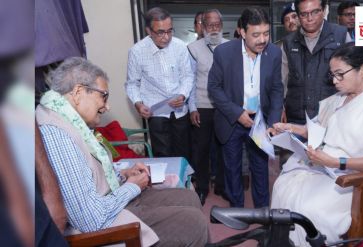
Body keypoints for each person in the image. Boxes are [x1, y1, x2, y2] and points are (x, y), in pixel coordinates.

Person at [37, 57, 208, 246]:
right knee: (194, 223)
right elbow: (90, 220)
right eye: (104, 96)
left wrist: (123, 175)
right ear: (78, 92)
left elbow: (91, 176)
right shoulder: (57, 133)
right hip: (106, 223)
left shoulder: (72, 122)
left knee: (189, 197)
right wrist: (133, 186)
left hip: (112, 202)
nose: (107, 106)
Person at [270, 45, 363, 246]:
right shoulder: (341, 97)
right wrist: (290, 128)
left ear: (362, 69)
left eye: (340, 74)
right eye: (332, 75)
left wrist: (335, 162)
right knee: (284, 187)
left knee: (309, 206)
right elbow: (318, 129)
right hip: (330, 169)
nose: (334, 81)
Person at [208, 6, 284, 208]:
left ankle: (262, 211)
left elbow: (277, 88)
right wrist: (237, 112)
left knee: (260, 168)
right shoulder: (224, 52)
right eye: (256, 34)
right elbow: (214, 88)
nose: (262, 40)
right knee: (232, 168)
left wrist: (274, 120)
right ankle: (237, 210)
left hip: (260, 121)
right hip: (231, 120)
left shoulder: (274, 53)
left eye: (266, 33)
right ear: (242, 32)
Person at [125, 7, 193, 161]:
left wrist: (182, 94)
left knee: (184, 154)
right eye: (161, 32)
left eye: (170, 31)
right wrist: (138, 103)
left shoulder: (180, 46)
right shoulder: (137, 51)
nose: (166, 37)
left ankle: (184, 185)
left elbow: (187, 76)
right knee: (162, 156)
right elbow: (132, 84)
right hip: (156, 113)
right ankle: (166, 186)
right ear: (149, 30)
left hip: (180, 111)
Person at [283, 0, 349, 125]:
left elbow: (353, 78)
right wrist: (280, 107)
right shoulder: (289, 42)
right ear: (298, 15)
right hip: (297, 119)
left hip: (331, 119)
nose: (310, 18)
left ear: (324, 11)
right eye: (304, 14)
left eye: (315, 12)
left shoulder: (341, 36)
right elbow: (282, 80)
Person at [187, 9, 229, 205]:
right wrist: (192, 108)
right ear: (202, 27)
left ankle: (222, 186)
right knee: (201, 150)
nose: (213, 29)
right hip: (202, 106)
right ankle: (202, 188)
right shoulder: (192, 49)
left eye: (217, 25)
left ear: (222, 26)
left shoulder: (231, 47)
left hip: (224, 107)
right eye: (209, 25)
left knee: (224, 149)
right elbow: (190, 80)